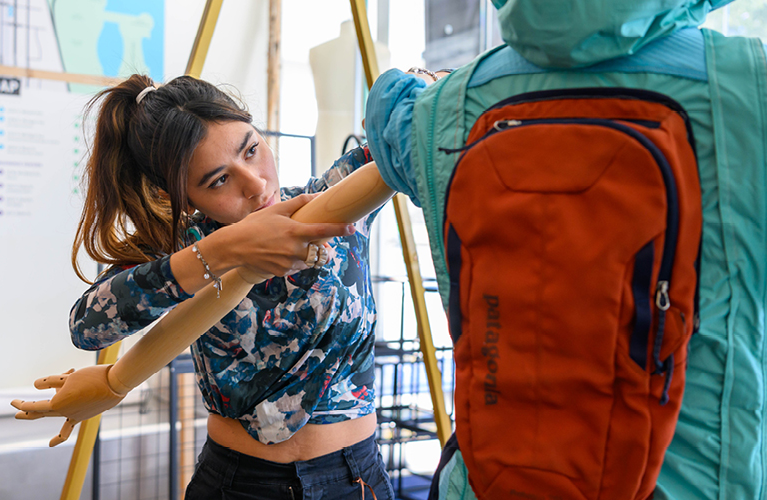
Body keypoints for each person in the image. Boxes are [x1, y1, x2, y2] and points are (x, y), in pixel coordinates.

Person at [364, 1, 766, 499]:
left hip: (492, 483)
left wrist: (426, 82)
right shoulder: (749, 87)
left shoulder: (445, 108)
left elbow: (386, 108)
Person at [68, 73, 395, 500]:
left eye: (252, 150)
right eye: (219, 180)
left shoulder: (330, 203)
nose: (257, 184)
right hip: (239, 484)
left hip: (356, 477)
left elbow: (422, 121)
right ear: (183, 198)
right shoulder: (185, 245)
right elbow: (87, 326)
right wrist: (222, 251)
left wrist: (420, 86)